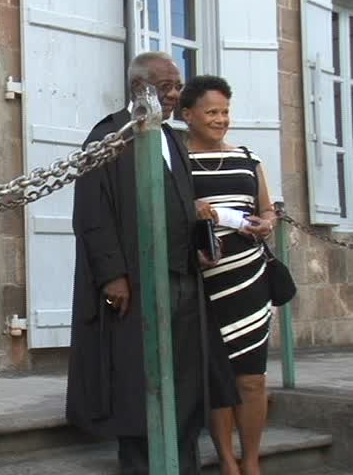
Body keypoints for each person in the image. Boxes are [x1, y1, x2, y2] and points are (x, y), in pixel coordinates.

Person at [65, 52, 239, 475]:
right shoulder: (107, 136)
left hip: (182, 282)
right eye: (166, 87)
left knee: (185, 380)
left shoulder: (173, 139)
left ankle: (183, 464)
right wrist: (112, 276)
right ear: (139, 88)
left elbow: (182, 202)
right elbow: (92, 213)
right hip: (136, 285)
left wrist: (199, 242)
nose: (176, 94)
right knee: (138, 383)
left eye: (177, 86)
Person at [182, 75, 275, 475]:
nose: (221, 120)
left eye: (225, 112)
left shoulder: (248, 158)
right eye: (212, 112)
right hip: (206, 279)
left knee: (252, 377)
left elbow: (268, 209)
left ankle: (251, 460)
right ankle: (226, 461)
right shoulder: (177, 163)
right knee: (218, 375)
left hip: (250, 280)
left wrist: (267, 223)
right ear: (188, 115)